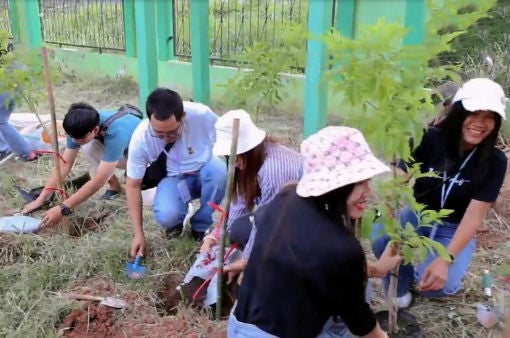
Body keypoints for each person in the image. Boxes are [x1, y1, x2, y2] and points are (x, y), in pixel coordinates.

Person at [229, 126, 396, 338]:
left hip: (240, 327)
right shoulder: (341, 246)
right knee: (360, 295)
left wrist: (375, 269)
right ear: (338, 185)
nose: (369, 192)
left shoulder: (286, 199)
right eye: (361, 183)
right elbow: (359, 320)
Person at [372, 78, 507, 307]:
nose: (479, 123)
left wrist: (445, 260)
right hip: (417, 213)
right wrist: (392, 226)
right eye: (473, 113)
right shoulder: (428, 137)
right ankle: (401, 284)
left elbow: (474, 216)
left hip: (453, 226)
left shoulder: (495, 161)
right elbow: (397, 181)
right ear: (457, 112)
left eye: (489, 117)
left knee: (442, 286)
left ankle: (425, 273)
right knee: (380, 234)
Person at [181, 109, 303, 307]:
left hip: (300, 225)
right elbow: (238, 206)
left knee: (252, 276)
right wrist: (214, 236)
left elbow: (268, 224)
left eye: (236, 156)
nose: (234, 162)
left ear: (249, 149)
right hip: (282, 219)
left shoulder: (271, 170)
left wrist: (247, 263)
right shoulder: (252, 162)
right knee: (238, 228)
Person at [127, 88, 227, 257]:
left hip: (205, 169)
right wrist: (138, 234)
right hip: (173, 177)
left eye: (172, 131)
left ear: (183, 117)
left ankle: (201, 226)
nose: (166, 137)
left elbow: (227, 139)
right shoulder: (141, 138)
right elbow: (132, 185)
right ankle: (178, 219)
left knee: (219, 171)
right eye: (159, 133)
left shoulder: (202, 115)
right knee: (167, 215)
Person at [22, 103, 142, 226]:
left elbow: (100, 180)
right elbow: (65, 163)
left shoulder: (116, 133)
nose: (74, 141)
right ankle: (115, 187)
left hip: (142, 156)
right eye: (72, 137)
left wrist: (63, 208)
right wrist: (41, 199)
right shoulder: (78, 127)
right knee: (88, 147)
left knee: (144, 198)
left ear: (95, 130)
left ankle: (134, 175)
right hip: (121, 149)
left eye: (78, 138)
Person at [0, 92, 39, 161]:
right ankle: (4, 148)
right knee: (3, 121)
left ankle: (27, 152)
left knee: (2, 123)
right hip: (11, 89)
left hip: (3, 89)